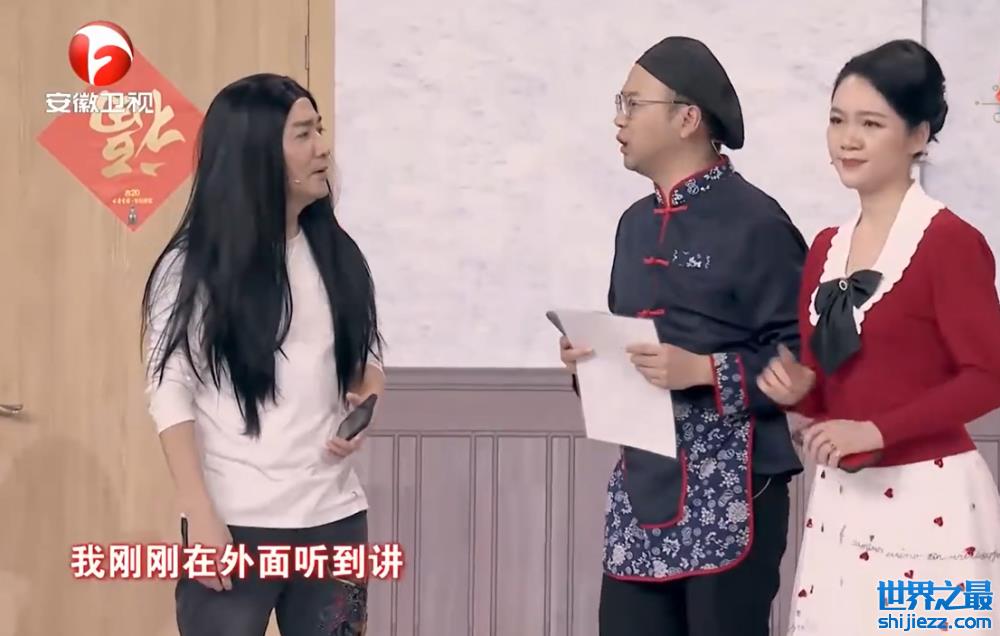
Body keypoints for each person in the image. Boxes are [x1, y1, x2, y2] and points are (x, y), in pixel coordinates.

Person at [560, 36, 808, 636]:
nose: (619, 120)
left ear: (687, 118)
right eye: (619, 103)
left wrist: (703, 371)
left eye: (633, 103)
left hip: (733, 491)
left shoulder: (757, 222)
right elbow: (632, 353)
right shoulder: (633, 225)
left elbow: (802, 357)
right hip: (641, 492)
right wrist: (590, 362)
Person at [757, 39, 1000, 635]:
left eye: (871, 124)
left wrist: (875, 430)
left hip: (933, 506)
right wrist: (799, 392)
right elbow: (828, 392)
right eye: (837, 120)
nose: (848, 139)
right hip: (841, 506)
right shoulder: (824, 248)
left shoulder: (950, 242)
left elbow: (990, 375)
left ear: (919, 135)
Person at [140, 73, 385, 636]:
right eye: (303, 134)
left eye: (319, 129)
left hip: (334, 519)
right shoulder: (189, 267)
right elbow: (168, 390)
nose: (323, 148)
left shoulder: (338, 253)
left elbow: (367, 359)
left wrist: (367, 396)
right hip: (234, 523)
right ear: (256, 155)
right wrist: (199, 512)